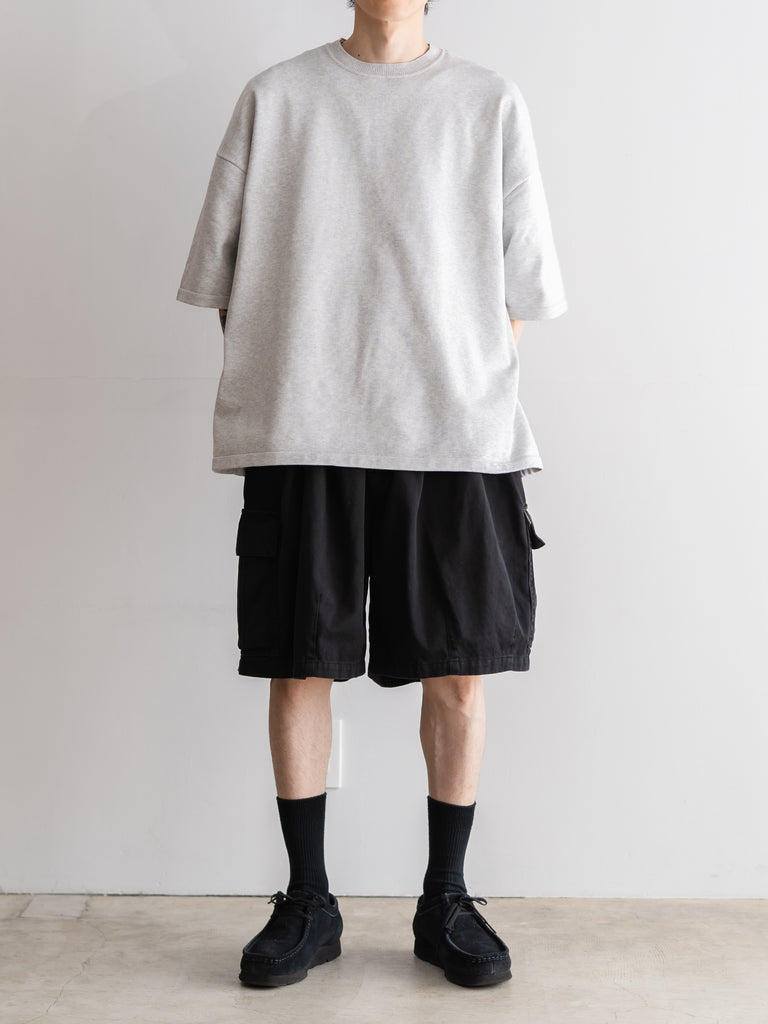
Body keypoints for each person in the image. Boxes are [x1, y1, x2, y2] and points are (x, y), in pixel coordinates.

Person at [176, 0, 566, 991]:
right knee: (298, 664)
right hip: (306, 430)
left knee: (461, 672)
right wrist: (299, 376)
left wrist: (455, 380)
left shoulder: (487, 102)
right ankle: (308, 900)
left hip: (456, 439)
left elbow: (524, 289)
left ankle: (447, 899)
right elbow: (223, 279)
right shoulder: (278, 99)